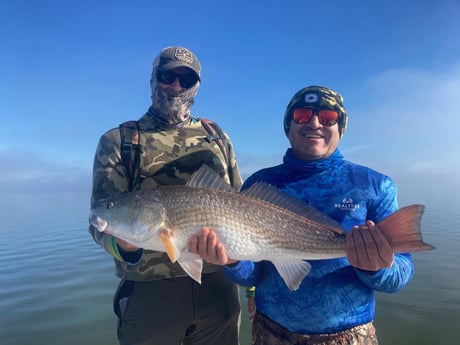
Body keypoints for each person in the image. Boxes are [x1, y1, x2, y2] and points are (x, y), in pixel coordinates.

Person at [189, 85, 416, 345]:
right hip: (270, 332)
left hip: (349, 337)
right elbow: (254, 273)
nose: (315, 123)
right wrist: (231, 262)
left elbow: (400, 276)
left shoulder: (374, 185)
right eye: (302, 115)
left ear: (340, 127)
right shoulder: (261, 182)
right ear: (288, 126)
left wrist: (376, 267)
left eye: (328, 117)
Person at [88, 46, 242, 345]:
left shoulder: (217, 136)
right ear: (153, 80)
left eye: (186, 80)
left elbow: (245, 207)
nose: (175, 86)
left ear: (196, 86)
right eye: (167, 76)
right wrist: (125, 248)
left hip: (218, 285)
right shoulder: (119, 140)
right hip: (151, 291)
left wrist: (249, 285)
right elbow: (99, 220)